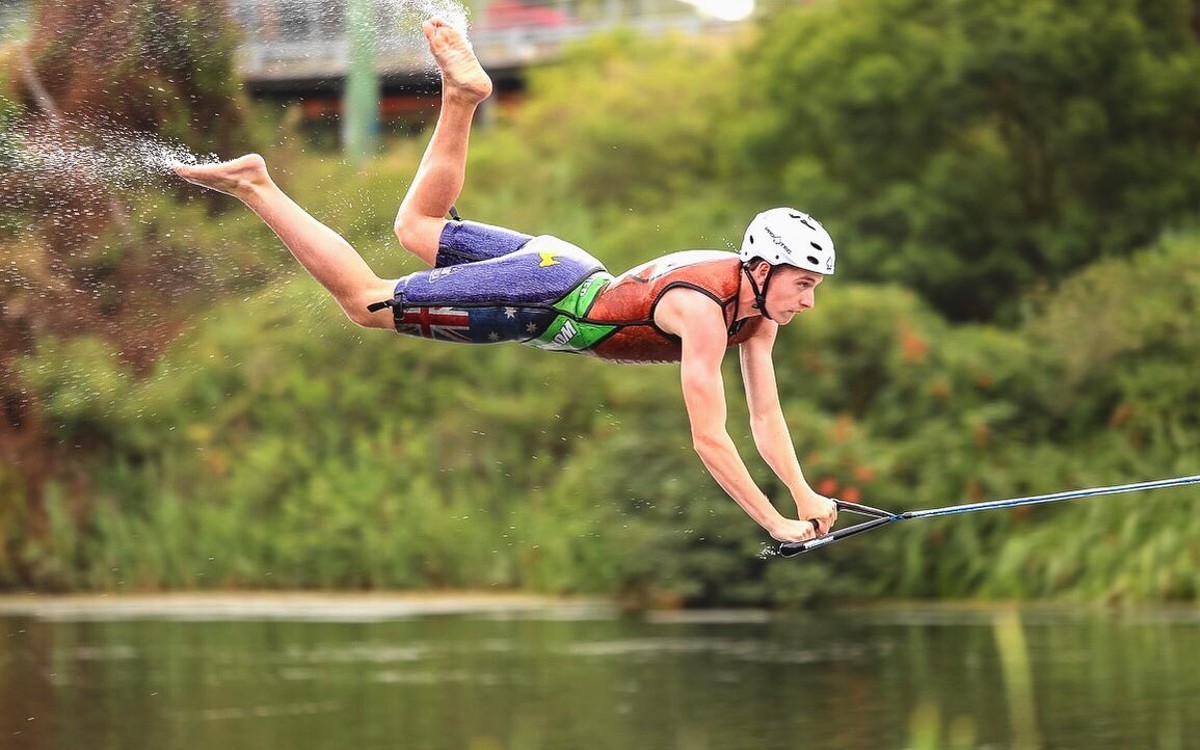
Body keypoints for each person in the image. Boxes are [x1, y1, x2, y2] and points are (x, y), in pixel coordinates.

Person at [174, 18, 838, 544]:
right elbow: (711, 436)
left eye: (813, 288)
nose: (807, 300)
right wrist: (773, 521)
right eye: (802, 283)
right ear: (760, 266)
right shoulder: (702, 309)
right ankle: (256, 185)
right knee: (364, 303)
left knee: (419, 225)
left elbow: (765, 415)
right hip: (544, 298)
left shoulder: (756, 316)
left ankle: (461, 96)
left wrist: (805, 495)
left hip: (564, 263)